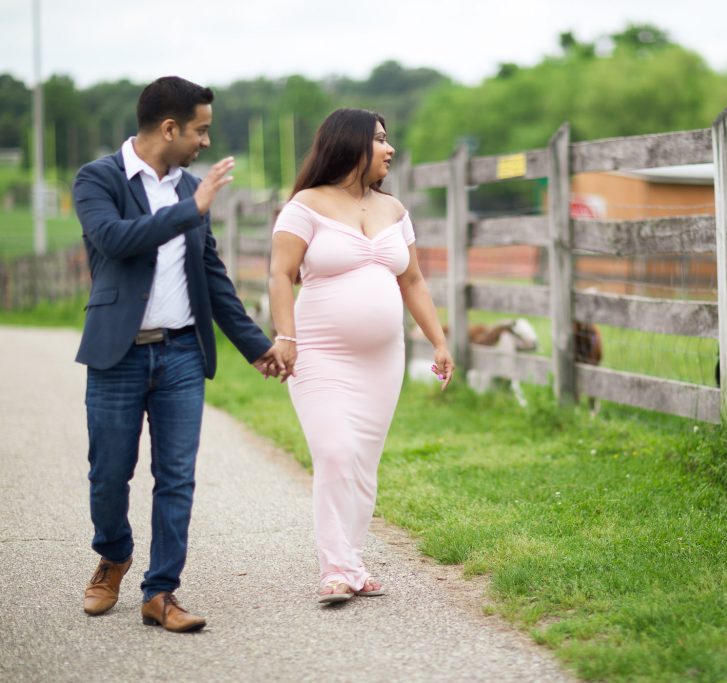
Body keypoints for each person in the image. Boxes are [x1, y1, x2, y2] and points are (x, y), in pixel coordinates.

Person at [72, 76, 286, 632]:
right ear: (169, 128)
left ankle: (160, 591)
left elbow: (210, 276)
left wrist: (256, 346)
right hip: (117, 355)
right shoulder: (98, 179)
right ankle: (114, 554)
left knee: (177, 477)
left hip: (182, 356)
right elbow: (115, 240)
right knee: (108, 475)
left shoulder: (193, 189)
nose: (206, 142)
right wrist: (189, 209)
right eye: (201, 130)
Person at [268, 108, 453, 604]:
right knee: (334, 451)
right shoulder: (304, 206)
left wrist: (438, 340)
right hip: (319, 354)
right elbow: (281, 275)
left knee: (363, 461)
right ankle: (336, 569)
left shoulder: (394, 211)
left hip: (382, 358)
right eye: (379, 140)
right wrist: (285, 336)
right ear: (350, 145)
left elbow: (411, 280)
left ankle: (351, 559)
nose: (389, 149)